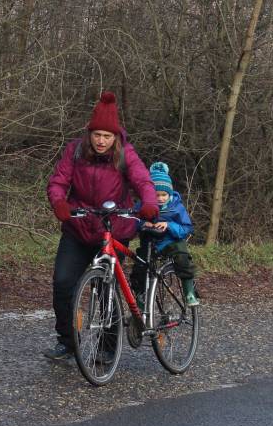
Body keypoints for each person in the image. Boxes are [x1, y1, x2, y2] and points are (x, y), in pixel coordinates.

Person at [44, 91, 159, 361]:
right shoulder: (75, 150)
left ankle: (107, 347)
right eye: (97, 135)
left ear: (115, 136)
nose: (101, 141)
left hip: (113, 227)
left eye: (107, 136)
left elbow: (143, 180)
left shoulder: (126, 154)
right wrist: (59, 202)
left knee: (106, 287)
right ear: (90, 133)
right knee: (63, 282)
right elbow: (58, 181)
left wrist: (149, 203)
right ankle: (67, 342)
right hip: (78, 226)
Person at [131, 161, 200, 307]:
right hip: (149, 243)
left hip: (171, 241)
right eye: (157, 195)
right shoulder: (143, 205)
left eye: (164, 195)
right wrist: (143, 224)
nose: (161, 198)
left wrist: (169, 225)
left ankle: (189, 291)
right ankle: (140, 296)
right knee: (139, 268)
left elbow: (187, 227)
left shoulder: (176, 207)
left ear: (170, 193)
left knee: (182, 256)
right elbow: (132, 220)